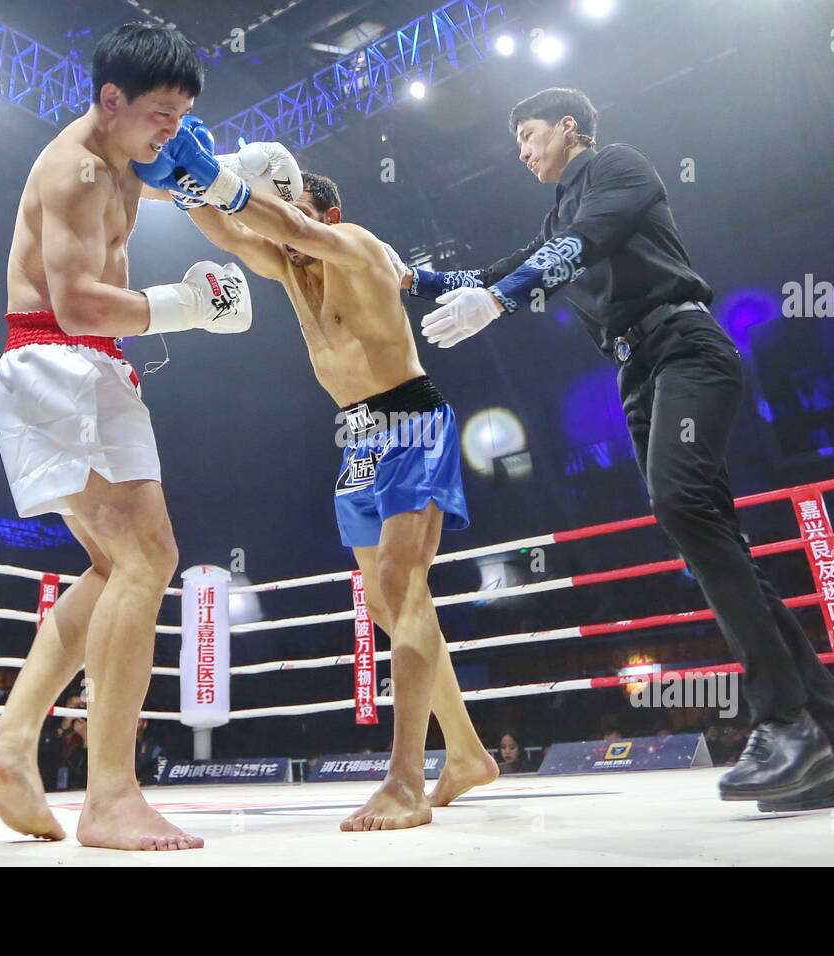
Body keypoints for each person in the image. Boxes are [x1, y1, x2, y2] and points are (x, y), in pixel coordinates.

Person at [399, 87, 834, 812]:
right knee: (708, 539)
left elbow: (581, 246)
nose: (521, 150)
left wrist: (502, 301)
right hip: (636, 369)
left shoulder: (617, 168)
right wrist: (408, 277)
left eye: (530, 134)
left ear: (568, 127)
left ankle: (783, 724)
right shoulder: (555, 215)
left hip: (684, 346)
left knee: (681, 504)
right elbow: (490, 273)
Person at [132, 128, 499, 830]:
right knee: (392, 608)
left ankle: (405, 781)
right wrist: (185, 174)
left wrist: (227, 183)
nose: (281, 232)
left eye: (291, 213)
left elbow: (279, 224)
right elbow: (227, 232)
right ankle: (466, 754)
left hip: (411, 421)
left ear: (324, 215)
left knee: (401, 587)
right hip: (358, 438)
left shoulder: (354, 245)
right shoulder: (289, 268)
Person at [0, 22, 252, 852]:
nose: (173, 127)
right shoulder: (76, 170)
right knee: (145, 558)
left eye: (184, 112)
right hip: (59, 361)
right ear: (110, 99)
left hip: (87, 369)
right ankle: (110, 796)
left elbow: (188, 185)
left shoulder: (131, 155)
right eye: (161, 111)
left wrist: (251, 179)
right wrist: (188, 307)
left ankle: (14, 741)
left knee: (119, 563)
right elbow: (78, 305)